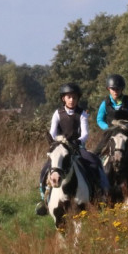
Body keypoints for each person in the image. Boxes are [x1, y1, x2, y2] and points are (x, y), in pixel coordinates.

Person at [37, 82, 106, 215]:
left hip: (76, 147)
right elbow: (52, 131)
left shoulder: (82, 114)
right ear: (63, 98)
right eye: (69, 97)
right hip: (60, 147)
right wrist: (55, 142)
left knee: (94, 162)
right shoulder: (57, 113)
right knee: (46, 169)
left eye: (74, 97)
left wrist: (77, 141)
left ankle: (100, 193)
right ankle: (44, 199)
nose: (72, 100)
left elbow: (85, 133)